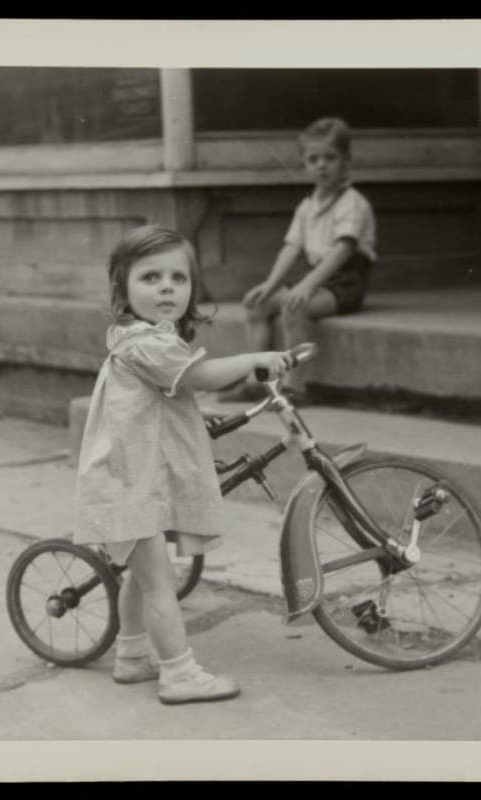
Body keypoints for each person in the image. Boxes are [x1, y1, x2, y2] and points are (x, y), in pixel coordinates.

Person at [72, 224, 295, 705]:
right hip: (129, 481)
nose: (167, 286)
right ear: (122, 291)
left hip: (133, 476)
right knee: (160, 580)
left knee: (141, 572)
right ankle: (178, 673)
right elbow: (199, 375)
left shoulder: (150, 338)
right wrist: (255, 356)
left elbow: (167, 398)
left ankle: (132, 656)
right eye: (150, 278)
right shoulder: (145, 344)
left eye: (178, 277)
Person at [220, 116, 377, 405]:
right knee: (256, 304)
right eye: (313, 159)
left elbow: (343, 251)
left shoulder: (352, 202)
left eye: (330, 158)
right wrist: (271, 284)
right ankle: (257, 380)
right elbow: (291, 247)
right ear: (304, 164)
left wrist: (304, 287)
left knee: (294, 308)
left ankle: (294, 387)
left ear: (346, 160)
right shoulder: (307, 206)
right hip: (315, 277)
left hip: (345, 280)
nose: (321, 165)